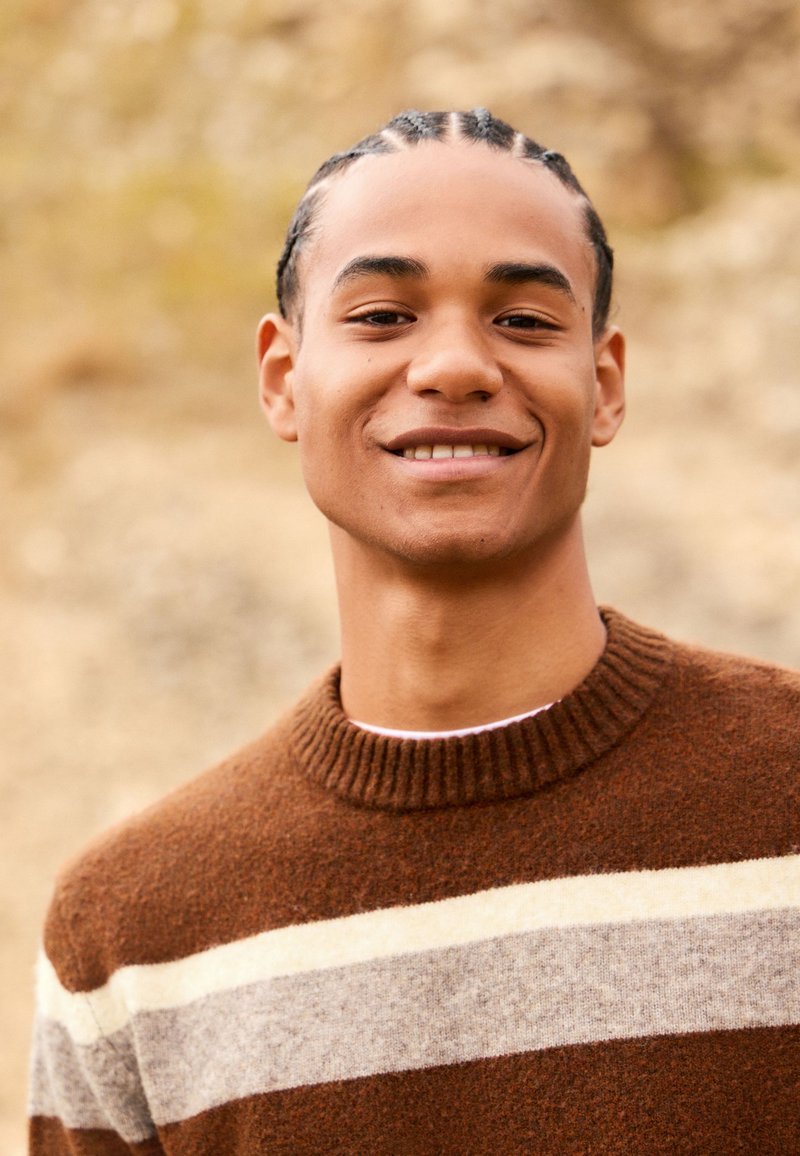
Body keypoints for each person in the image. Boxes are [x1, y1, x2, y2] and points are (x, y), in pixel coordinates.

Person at [29, 109, 798, 1154]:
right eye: (384, 315)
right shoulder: (129, 937)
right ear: (280, 380)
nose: (451, 367)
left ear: (604, 384)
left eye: (522, 320)